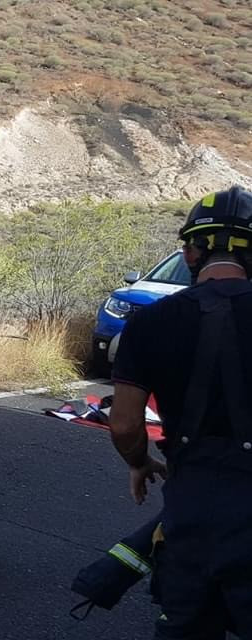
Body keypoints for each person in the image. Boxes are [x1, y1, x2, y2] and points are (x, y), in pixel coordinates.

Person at [109, 184, 252, 639]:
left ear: (192, 253)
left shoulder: (150, 322)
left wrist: (139, 462)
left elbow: (126, 424)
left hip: (192, 513)